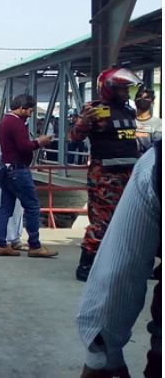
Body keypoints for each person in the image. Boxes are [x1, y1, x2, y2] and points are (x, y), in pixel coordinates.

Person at [77, 142, 160, 378]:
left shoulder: (156, 164)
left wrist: (103, 351)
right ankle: (85, 262)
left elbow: (121, 270)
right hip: (107, 183)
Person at [70, 67, 142, 282]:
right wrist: (85, 122)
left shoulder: (129, 111)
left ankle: (121, 263)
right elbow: (74, 137)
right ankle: (86, 265)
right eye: (122, 89)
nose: (127, 93)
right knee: (102, 222)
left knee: (130, 220)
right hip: (105, 177)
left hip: (130, 173)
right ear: (110, 89)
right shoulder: (96, 110)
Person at [0, 94, 58, 258]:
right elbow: (24, 147)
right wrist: (39, 142)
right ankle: (35, 245)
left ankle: (1, 243)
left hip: (6, 169)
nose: (30, 113)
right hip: (18, 170)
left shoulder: (4, 122)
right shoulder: (16, 123)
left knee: (5, 208)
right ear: (21, 108)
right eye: (29, 110)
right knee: (32, 206)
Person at [135, 88, 161, 153]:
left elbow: (158, 147)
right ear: (134, 100)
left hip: (148, 161)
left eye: (146, 98)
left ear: (152, 103)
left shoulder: (159, 124)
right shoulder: (127, 121)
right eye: (139, 97)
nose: (142, 99)